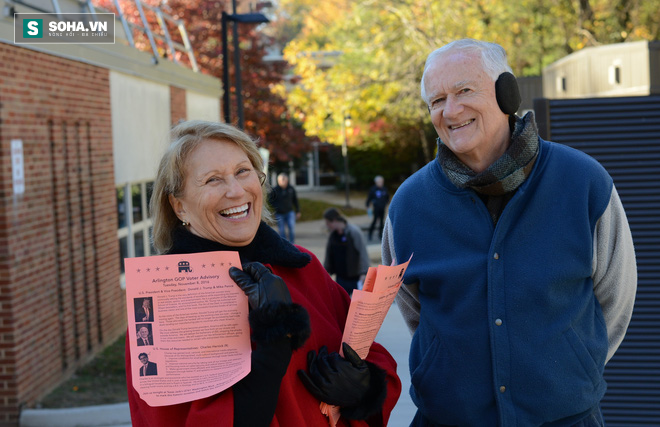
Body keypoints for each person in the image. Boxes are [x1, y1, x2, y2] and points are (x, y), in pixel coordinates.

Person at [382, 39, 637, 426]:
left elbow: (614, 299)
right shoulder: (408, 205)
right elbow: (414, 311)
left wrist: (571, 363)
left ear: (507, 92)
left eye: (464, 91)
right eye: (437, 100)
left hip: (567, 419)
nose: (451, 110)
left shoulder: (583, 182)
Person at [126, 120, 401, 427]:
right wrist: (274, 346)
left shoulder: (304, 267)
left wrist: (364, 386)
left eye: (243, 171)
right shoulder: (162, 302)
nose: (235, 190)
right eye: (213, 180)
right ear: (179, 206)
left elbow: (374, 354)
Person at [323, 208, 370, 295]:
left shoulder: (354, 232)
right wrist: (325, 272)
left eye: (328, 223)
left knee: (355, 305)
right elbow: (329, 255)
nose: (327, 226)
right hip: (340, 277)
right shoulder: (333, 235)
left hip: (355, 278)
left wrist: (364, 272)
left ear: (334, 220)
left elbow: (363, 253)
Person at [268, 172, 301, 243]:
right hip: (279, 213)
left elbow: (295, 200)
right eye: (281, 180)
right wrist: (276, 207)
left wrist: (298, 211)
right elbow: (270, 200)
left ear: (287, 180)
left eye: (284, 180)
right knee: (281, 230)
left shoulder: (291, 189)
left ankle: (292, 244)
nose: (283, 181)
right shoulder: (275, 190)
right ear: (278, 181)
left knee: (291, 228)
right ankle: (284, 244)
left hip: (289, 212)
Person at [365, 175, 389, 241]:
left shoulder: (384, 189)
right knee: (375, 221)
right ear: (376, 182)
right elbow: (369, 198)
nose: (381, 183)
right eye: (379, 182)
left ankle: (380, 235)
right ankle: (370, 234)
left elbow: (387, 197)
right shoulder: (373, 189)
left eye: (382, 182)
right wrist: (367, 206)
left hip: (382, 208)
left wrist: (386, 202)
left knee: (382, 222)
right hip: (376, 208)